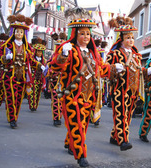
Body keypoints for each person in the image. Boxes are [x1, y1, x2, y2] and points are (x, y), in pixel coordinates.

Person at [50, 7, 119, 167]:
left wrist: (115, 68)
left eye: (88, 33)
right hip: (72, 96)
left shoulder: (93, 53)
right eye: (82, 33)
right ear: (75, 35)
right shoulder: (70, 50)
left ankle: (70, 143)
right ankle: (81, 156)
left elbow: (101, 70)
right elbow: (55, 67)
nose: (86, 36)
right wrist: (63, 56)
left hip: (89, 97)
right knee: (77, 124)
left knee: (82, 125)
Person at [0, 14, 45, 129]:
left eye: (21, 32)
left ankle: (14, 116)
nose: (19, 34)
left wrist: (40, 66)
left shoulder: (27, 47)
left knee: (18, 98)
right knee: (11, 97)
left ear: (24, 34)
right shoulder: (7, 45)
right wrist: (5, 58)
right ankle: (12, 119)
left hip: (22, 76)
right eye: (17, 32)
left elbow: (31, 61)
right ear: (14, 32)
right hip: (10, 75)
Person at [106, 15, 144, 151]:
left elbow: (140, 72)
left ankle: (114, 136)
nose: (131, 40)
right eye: (128, 37)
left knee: (127, 115)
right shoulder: (115, 53)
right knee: (121, 114)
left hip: (133, 90)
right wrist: (116, 67)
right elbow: (106, 69)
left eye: (132, 37)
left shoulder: (137, 55)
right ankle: (123, 140)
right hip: (119, 89)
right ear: (121, 39)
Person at [47, 32, 67, 126]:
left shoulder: (67, 57)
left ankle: (61, 116)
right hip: (55, 81)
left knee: (63, 100)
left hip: (64, 81)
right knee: (55, 99)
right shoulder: (52, 57)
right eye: (58, 46)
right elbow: (48, 67)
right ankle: (56, 118)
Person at [28, 37, 46, 111]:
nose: (39, 53)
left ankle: (36, 105)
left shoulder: (44, 60)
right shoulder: (32, 59)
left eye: (40, 52)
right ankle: (32, 105)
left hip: (40, 78)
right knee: (32, 92)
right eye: (38, 51)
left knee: (38, 92)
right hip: (33, 77)